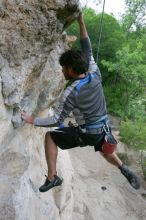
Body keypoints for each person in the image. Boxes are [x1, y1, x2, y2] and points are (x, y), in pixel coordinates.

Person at [22, 13, 140, 192]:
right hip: (103, 128)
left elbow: (56, 120)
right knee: (103, 149)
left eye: (63, 68)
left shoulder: (71, 92)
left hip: (87, 133)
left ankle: (52, 177)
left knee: (50, 137)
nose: (62, 71)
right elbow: (87, 48)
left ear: (70, 69)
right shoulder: (94, 73)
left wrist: (33, 120)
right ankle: (123, 168)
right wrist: (81, 21)